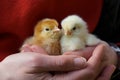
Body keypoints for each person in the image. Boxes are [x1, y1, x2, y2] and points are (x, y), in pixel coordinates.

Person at [0, 0, 119, 80]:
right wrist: (2, 74)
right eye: (49, 29)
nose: (59, 31)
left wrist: (114, 54)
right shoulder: (34, 43)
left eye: (57, 28)